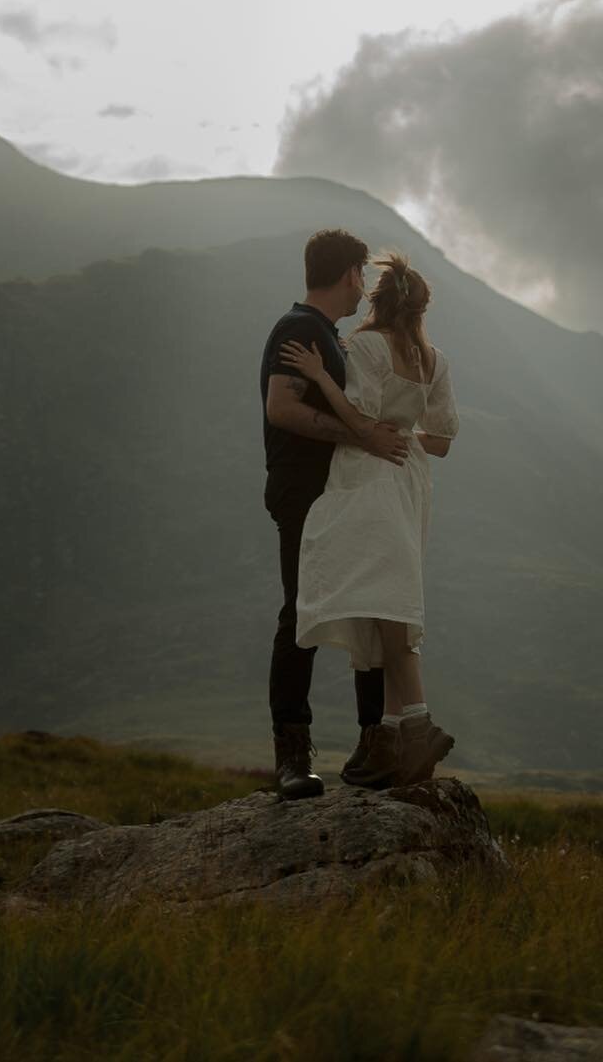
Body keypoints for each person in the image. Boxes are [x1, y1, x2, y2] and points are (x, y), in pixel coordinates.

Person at [281, 249, 461, 790]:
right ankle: (387, 731)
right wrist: (406, 434)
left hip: (369, 473)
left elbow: (357, 417)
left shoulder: (364, 346)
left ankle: (413, 724)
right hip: (409, 479)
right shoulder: (434, 361)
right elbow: (444, 441)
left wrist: (320, 375)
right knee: (388, 595)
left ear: (378, 301)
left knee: (380, 597)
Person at [261, 230, 413, 801]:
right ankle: (292, 758)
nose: (364, 289)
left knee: (367, 605)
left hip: (338, 492)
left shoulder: (326, 334)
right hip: (305, 492)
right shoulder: (299, 329)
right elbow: (281, 407)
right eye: (362, 277)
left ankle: (372, 746)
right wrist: (360, 437)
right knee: (301, 613)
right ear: (350, 273)